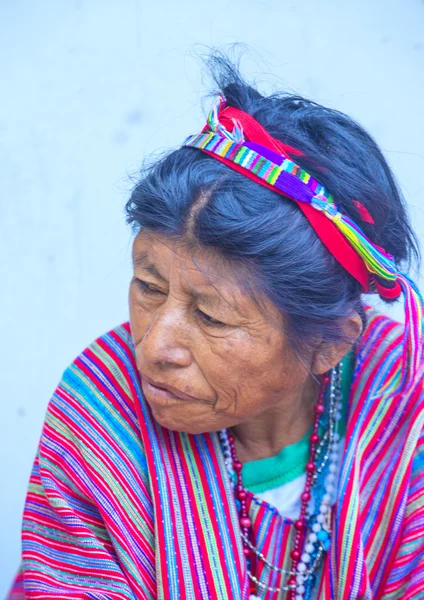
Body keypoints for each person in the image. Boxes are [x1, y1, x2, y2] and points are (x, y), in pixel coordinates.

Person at [8, 57, 424, 600]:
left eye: (211, 317)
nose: (154, 346)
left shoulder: (404, 403)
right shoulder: (101, 405)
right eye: (149, 288)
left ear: (329, 343)